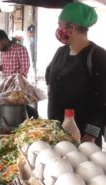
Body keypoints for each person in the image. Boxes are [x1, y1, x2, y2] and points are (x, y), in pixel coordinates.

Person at [45, 2, 106, 147]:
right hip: (56, 130)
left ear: (72, 27)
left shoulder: (98, 55)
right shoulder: (61, 52)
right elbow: (49, 75)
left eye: (61, 25)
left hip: (82, 136)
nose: (58, 29)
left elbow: (102, 102)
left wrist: (90, 135)